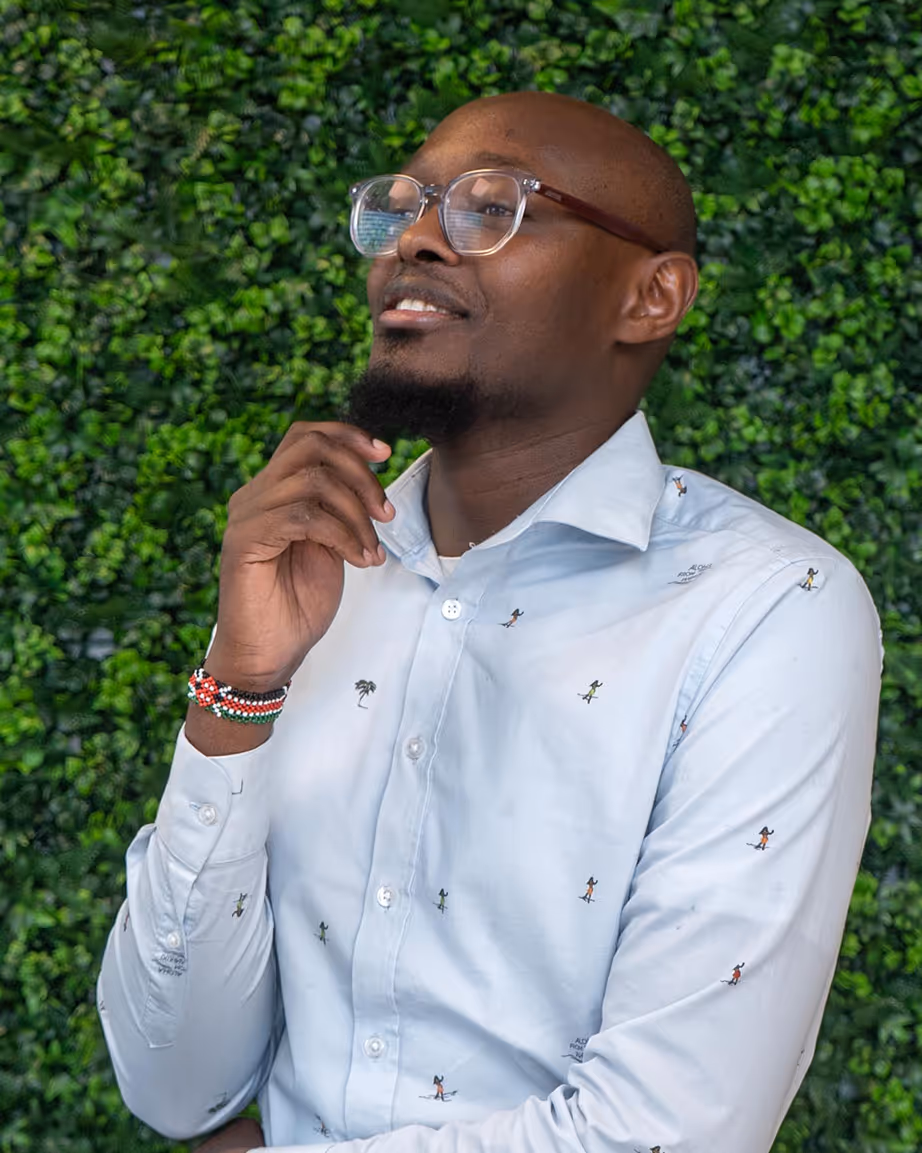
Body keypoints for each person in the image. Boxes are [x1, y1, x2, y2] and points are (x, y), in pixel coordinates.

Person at [96, 91, 883, 1153]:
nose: (414, 238)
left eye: (491, 205)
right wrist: (241, 685)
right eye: (405, 205)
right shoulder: (318, 578)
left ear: (650, 296)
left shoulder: (765, 609)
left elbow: (663, 1132)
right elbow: (173, 1086)